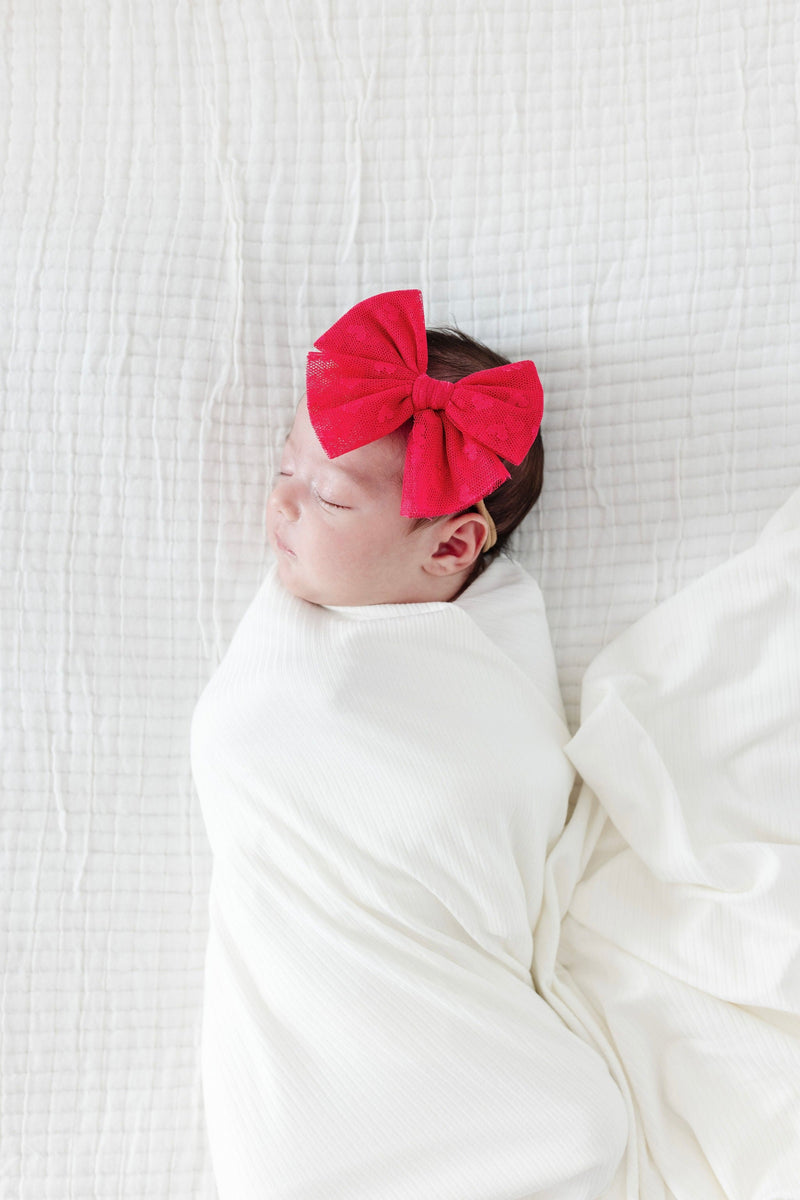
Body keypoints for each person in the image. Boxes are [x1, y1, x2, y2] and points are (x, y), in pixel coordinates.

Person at [266, 288, 545, 607]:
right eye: (285, 470)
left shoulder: (493, 633)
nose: (279, 499)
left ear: (449, 547)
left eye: (331, 497)